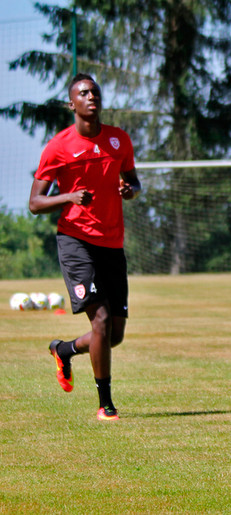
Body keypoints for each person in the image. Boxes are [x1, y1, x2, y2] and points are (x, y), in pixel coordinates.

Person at [29, 73, 140, 421]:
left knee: (113, 335)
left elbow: (133, 179)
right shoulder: (59, 147)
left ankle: (63, 350)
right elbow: (34, 203)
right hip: (75, 240)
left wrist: (130, 189)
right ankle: (105, 404)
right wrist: (68, 196)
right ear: (71, 103)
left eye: (94, 91)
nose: (91, 96)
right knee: (101, 320)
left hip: (112, 241)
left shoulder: (119, 140)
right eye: (83, 93)